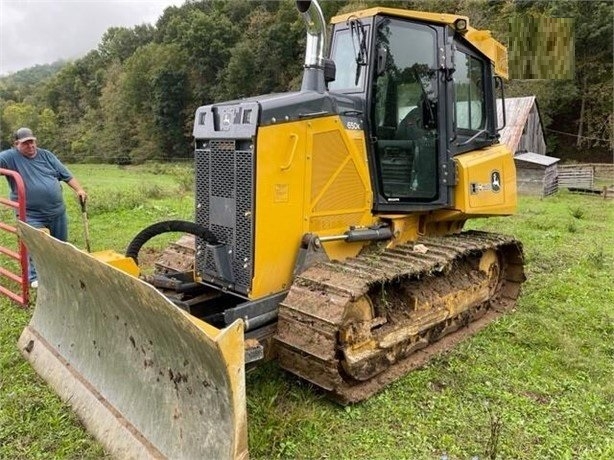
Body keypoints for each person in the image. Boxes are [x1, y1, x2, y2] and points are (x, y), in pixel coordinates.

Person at [0, 127, 87, 287]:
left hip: (56, 210)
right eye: (26, 143)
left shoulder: (46, 155)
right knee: (34, 242)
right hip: (30, 213)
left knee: (61, 244)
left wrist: (79, 189)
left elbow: (66, 174)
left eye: (32, 142)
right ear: (17, 144)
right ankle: (34, 277)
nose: (31, 146)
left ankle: (61, 271)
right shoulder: (10, 157)